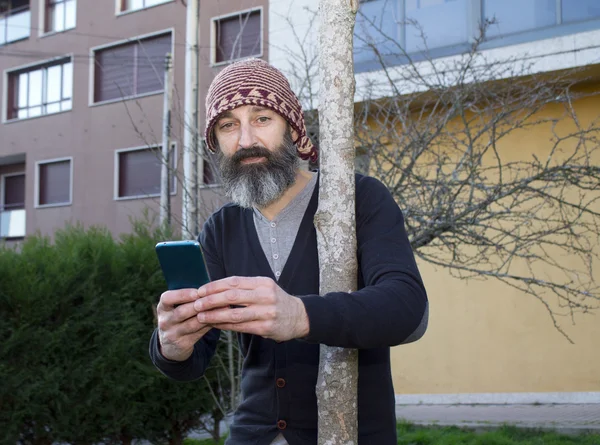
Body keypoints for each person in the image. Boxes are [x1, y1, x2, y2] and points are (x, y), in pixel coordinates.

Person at [149, 58, 429, 445]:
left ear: (293, 127)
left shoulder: (357, 199)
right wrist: (171, 346)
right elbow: (194, 361)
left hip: (350, 434)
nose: (245, 140)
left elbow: (408, 309)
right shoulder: (221, 229)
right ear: (216, 144)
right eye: (228, 125)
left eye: (262, 118)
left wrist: (300, 315)